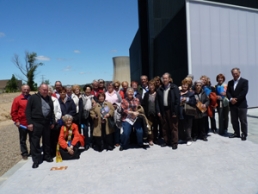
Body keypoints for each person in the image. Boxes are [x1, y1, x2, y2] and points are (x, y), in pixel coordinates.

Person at [25, 84, 55, 168]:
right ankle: (36, 160)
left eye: (46, 90)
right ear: (39, 89)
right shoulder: (33, 98)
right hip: (36, 123)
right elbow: (28, 111)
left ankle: (47, 156)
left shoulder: (49, 98)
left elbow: (52, 111)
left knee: (47, 141)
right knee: (35, 142)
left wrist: (52, 122)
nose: (45, 91)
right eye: (43, 89)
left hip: (46, 123)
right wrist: (29, 123)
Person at [155, 73, 180, 150]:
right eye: (163, 78)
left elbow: (177, 101)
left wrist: (175, 112)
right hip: (163, 110)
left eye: (166, 78)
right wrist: (158, 111)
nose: (165, 80)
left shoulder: (174, 88)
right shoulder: (160, 89)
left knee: (173, 127)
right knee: (164, 127)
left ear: (169, 79)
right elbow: (157, 102)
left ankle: (174, 143)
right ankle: (167, 141)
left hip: (172, 110)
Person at [226, 68, 249, 141]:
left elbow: (244, 92)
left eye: (236, 73)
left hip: (241, 104)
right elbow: (228, 92)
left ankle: (244, 134)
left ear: (239, 73)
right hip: (233, 105)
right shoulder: (230, 82)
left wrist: (236, 99)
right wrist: (230, 99)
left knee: (243, 120)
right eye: (233, 73)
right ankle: (236, 133)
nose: (235, 75)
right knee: (234, 120)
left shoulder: (244, 81)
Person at [11, 85, 32, 160]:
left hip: (31, 123)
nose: (26, 91)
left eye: (27, 89)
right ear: (21, 90)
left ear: (29, 90)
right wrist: (16, 121)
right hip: (22, 124)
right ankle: (24, 153)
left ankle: (32, 152)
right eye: (24, 89)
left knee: (32, 139)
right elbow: (13, 112)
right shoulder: (17, 99)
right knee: (23, 140)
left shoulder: (32, 98)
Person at [178, 79, 196, 146]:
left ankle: (189, 139)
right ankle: (182, 138)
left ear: (188, 86)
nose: (184, 86)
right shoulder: (178, 92)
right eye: (183, 84)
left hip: (188, 112)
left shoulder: (191, 93)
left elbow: (194, 102)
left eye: (186, 85)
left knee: (188, 126)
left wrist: (186, 99)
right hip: (180, 111)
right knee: (180, 126)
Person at [141, 80, 158, 146]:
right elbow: (143, 104)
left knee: (156, 126)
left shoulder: (157, 93)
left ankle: (155, 139)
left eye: (152, 85)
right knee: (149, 127)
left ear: (154, 86)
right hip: (148, 113)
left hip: (156, 113)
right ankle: (150, 139)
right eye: (150, 85)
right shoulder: (146, 94)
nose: (151, 87)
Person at [79, 84, 95, 150]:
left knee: (92, 129)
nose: (88, 91)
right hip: (84, 115)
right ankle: (86, 143)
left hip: (91, 114)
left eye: (89, 90)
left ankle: (92, 142)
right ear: (84, 90)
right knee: (85, 130)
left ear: (91, 90)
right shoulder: (81, 98)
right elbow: (80, 108)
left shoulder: (93, 97)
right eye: (86, 90)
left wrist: (94, 103)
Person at [48, 86, 62, 157]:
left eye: (50, 90)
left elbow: (59, 111)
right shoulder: (42, 100)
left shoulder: (55, 100)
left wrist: (55, 119)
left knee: (55, 138)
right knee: (47, 138)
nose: (49, 92)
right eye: (47, 90)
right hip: (46, 123)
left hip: (55, 121)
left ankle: (55, 151)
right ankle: (48, 153)